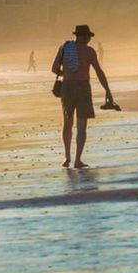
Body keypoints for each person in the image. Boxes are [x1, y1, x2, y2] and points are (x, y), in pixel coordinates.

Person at [51, 24, 114, 169]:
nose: (89, 39)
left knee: (67, 122)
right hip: (83, 87)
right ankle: (77, 160)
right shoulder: (89, 51)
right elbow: (99, 71)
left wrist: (66, 73)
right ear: (84, 36)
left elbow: (54, 69)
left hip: (67, 87)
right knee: (81, 125)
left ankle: (67, 157)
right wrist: (107, 90)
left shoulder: (65, 48)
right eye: (88, 37)